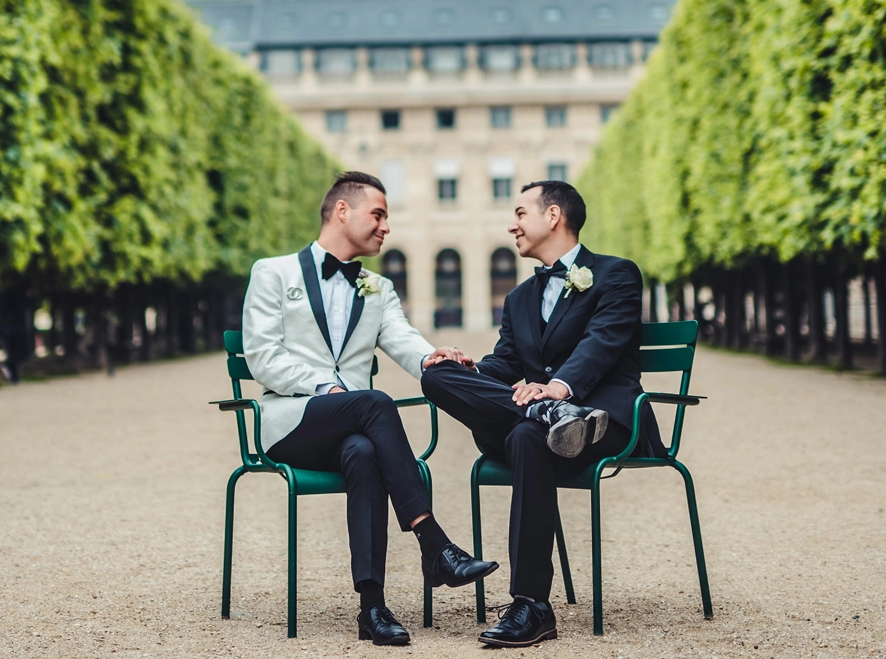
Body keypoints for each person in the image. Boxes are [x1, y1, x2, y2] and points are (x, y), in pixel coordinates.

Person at [242, 171, 498, 646]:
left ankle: (372, 608)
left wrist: (430, 357)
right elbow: (262, 356)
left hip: (352, 430)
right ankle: (433, 543)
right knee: (375, 404)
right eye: (378, 214)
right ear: (343, 210)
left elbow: (402, 339)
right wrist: (324, 386)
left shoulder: (379, 288)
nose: (385, 227)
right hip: (291, 423)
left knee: (362, 451)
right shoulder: (272, 272)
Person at [420, 180, 664, 647]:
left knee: (523, 438)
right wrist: (471, 368)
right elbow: (507, 362)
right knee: (437, 375)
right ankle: (550, 416)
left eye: (520, 213)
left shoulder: (616, 274)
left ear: (553, 216)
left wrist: (556, 389)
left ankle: (531, 604)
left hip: (603, 423)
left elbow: (602, 344)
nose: (511, 225)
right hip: (543, 420)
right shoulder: (518, 299)